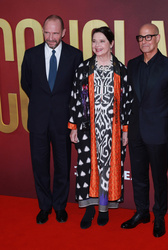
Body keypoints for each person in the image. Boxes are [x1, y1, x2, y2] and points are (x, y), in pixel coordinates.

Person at [121, 23, 168, 237]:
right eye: (140, 37)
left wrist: (165, 122)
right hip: (136, 131)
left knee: (159, 177)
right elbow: (128, 99)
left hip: (158, 132)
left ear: (158, 38)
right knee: (139, 175)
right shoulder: (132, 64)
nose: (144, 41)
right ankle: (142, 212)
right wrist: (128, 128)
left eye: (149, 37)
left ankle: (159, 216)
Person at [68, 26, 133, 229]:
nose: (97, 45)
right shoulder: (83, 69)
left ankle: (103, 208)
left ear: (111, 43)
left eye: (102, 41)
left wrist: (125, 131)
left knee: (107, 169)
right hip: (89, 129)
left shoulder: (121, 70)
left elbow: (127, 103)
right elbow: (75, 99)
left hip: (112, 130)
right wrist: (73, 126)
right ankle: (89, 208)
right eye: (94, 41)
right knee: (88, 169)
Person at [21, 15, 83, 224]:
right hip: (38, 120)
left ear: (63, 33)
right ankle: (44, 206)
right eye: (47, 32)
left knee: (62, 165)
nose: (50, 37)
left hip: (62, 120)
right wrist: (42, 103)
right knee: (39, 165)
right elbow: (26, 83)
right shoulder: (31, 55)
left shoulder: (75, 55)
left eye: (55, 33)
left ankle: (59, 206)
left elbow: (77, 89)